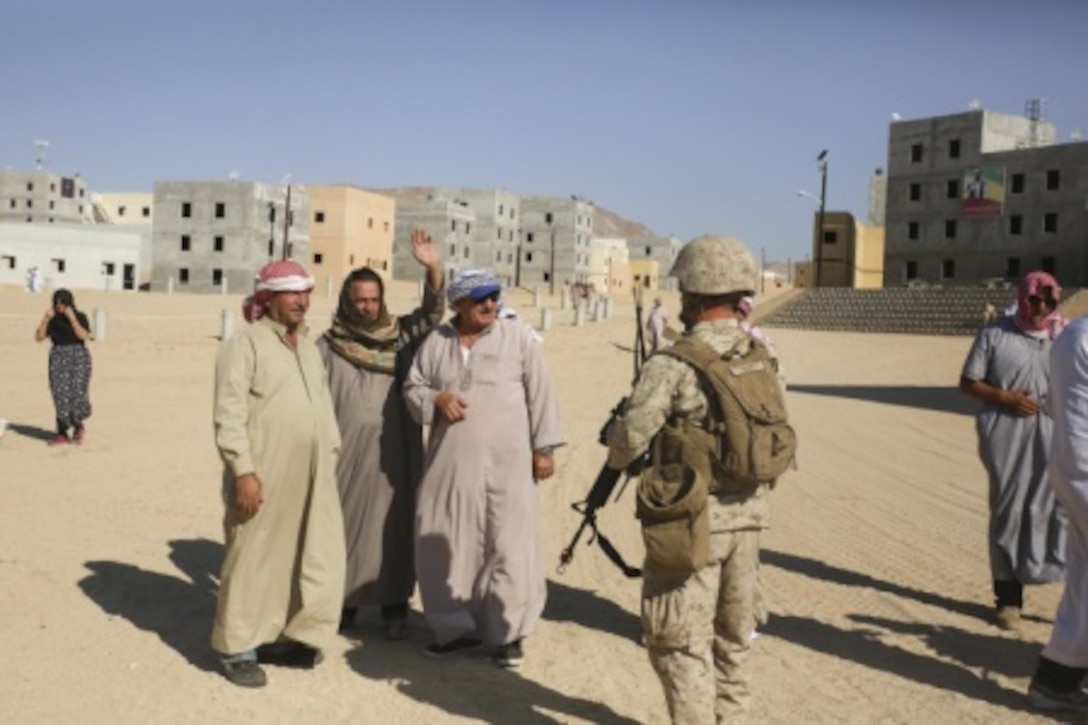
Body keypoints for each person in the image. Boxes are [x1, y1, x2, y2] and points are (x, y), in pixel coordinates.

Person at [606, 235, 786, 723]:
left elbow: (629, 442)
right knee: (734, 643)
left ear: (694, 294)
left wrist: (619, 435)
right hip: (749, 523)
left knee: (678, 645)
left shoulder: (672, 363)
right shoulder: (761, 356)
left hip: (691, 526)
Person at [403, 268, 564, 669]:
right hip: (450, 466)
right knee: (447, 544)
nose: (490, 304)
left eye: (494, 296)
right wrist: (437, 399)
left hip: (509, 466)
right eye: (480, 299)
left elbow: (541, 392)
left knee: (509, 545)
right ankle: (455, 630)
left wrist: (543, 448)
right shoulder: (437, 341)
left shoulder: (518, 337)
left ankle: (508, 634)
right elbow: (413, 387)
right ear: (459, 304)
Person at [211, 260, 345, 688]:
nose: (302, 301)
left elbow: (321, 406)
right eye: (291, 293)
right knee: (252, 554)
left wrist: (330, 453)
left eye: (305, 292)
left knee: (301, 553)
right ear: (268, 297)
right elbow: (228, 414)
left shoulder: (308, 347)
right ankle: (237, 648)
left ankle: (278, 635)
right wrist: (244, 472)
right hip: (262, 471)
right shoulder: (244, 344)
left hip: (311, 473)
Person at [317, 229, 444, 640]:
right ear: (347, 301)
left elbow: (431, 315)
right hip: (345, 453)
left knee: (396, 525)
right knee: (344, 524)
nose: (368, 307)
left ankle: (394, 605)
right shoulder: (328, 344)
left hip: (396, 452)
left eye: (374, 299)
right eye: (361, 300)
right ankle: (346, 604)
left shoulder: (401, 335)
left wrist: (434, 267)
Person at [959, 270, 1067, 631]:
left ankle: (1060, 590)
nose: (1040, 307)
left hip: (1054, 433)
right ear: (1022, 297)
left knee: (1054, 509)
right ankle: (1008, 597)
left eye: (1048, 301)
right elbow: (968, 381)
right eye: (1034, 299)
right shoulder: (995, 333)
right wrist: (1003, 397)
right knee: (1009, 510)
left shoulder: (1064, 337)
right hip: (1005, 433)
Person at [1028, 315, 1088, 711]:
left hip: (1070, 467)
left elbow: (1051, 403)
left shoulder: (1072, 334)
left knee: (1083, 577)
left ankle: (1057, 678)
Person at [34, 289, 92, 446]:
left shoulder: (80, 317)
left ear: (69, 303)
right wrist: (45, 319)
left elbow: (84, 336)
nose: (59, 306)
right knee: (60, 394)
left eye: (63, 302)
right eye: (57, 302)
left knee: (77, 393)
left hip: (78, 356)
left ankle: (78, 426)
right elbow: (39, 337)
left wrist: (72, 319)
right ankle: (62, 432)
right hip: (58, 356)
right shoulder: (52, 320)